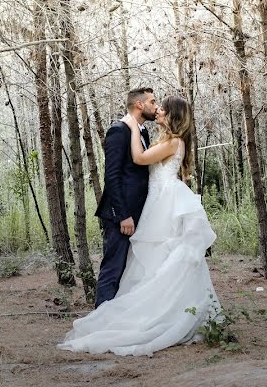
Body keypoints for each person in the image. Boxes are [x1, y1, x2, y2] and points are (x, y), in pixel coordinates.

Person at [58, 95, 220, 356]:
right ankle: (123, 313)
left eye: (162, 108)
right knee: (148, 261)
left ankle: (161, 315)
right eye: (156, 104)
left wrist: (134, 127)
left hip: (162, 204)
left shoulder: (173, 141)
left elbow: (140, 158)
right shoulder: (164, 138)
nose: (158, 110)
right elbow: (117, 172)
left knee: (160, 259)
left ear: (173, 115)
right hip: (153, 203)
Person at [92, 87, 157, 308]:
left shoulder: (143, 132)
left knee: (130, 268)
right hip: (121, 216)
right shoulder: (118, 131)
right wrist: (123, 215)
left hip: (139, 213)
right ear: (140, 105)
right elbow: (112, 176)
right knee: (113, 267)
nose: (155, 107)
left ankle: (119, 318)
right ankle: (100, 324)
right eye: (152, 102)